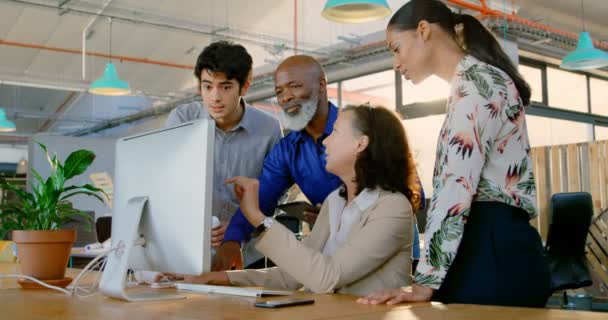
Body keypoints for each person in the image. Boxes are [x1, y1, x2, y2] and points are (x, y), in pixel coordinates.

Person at [358, 0, 551, 308]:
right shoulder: (470, 83)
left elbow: (455, 187)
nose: (395, 63)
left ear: (423, 31)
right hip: (488, 246)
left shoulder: (478, 84)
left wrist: (424, 281)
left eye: (396, 48)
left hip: (492, 251)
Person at [212, 55, 424, 271]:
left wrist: (344, 210)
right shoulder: (288, 149)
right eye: (279, 92)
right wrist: (232, 240)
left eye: (294, 86)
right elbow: (262, 197)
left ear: (321, 85)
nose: (285, 97)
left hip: (388, 250)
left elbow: (411, 193)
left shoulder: (362, 126)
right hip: (336, 253)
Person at [182, 104, 419, 296]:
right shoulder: (335, 200)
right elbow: (294, 275)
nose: (325, 141)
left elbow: (327, 277)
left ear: (361, 144)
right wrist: (223, 278)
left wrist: (258, 217)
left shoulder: (392, 206)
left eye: (335, 132)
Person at [166, 41, 282, 265]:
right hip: (190, 249)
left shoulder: (269, 130)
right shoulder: (182, 120)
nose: (215, 97)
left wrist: (240, 227)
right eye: (208, 86)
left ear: (244, 87)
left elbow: (274, 192)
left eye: (226, 87)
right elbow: (167, 183)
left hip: (248, 255)